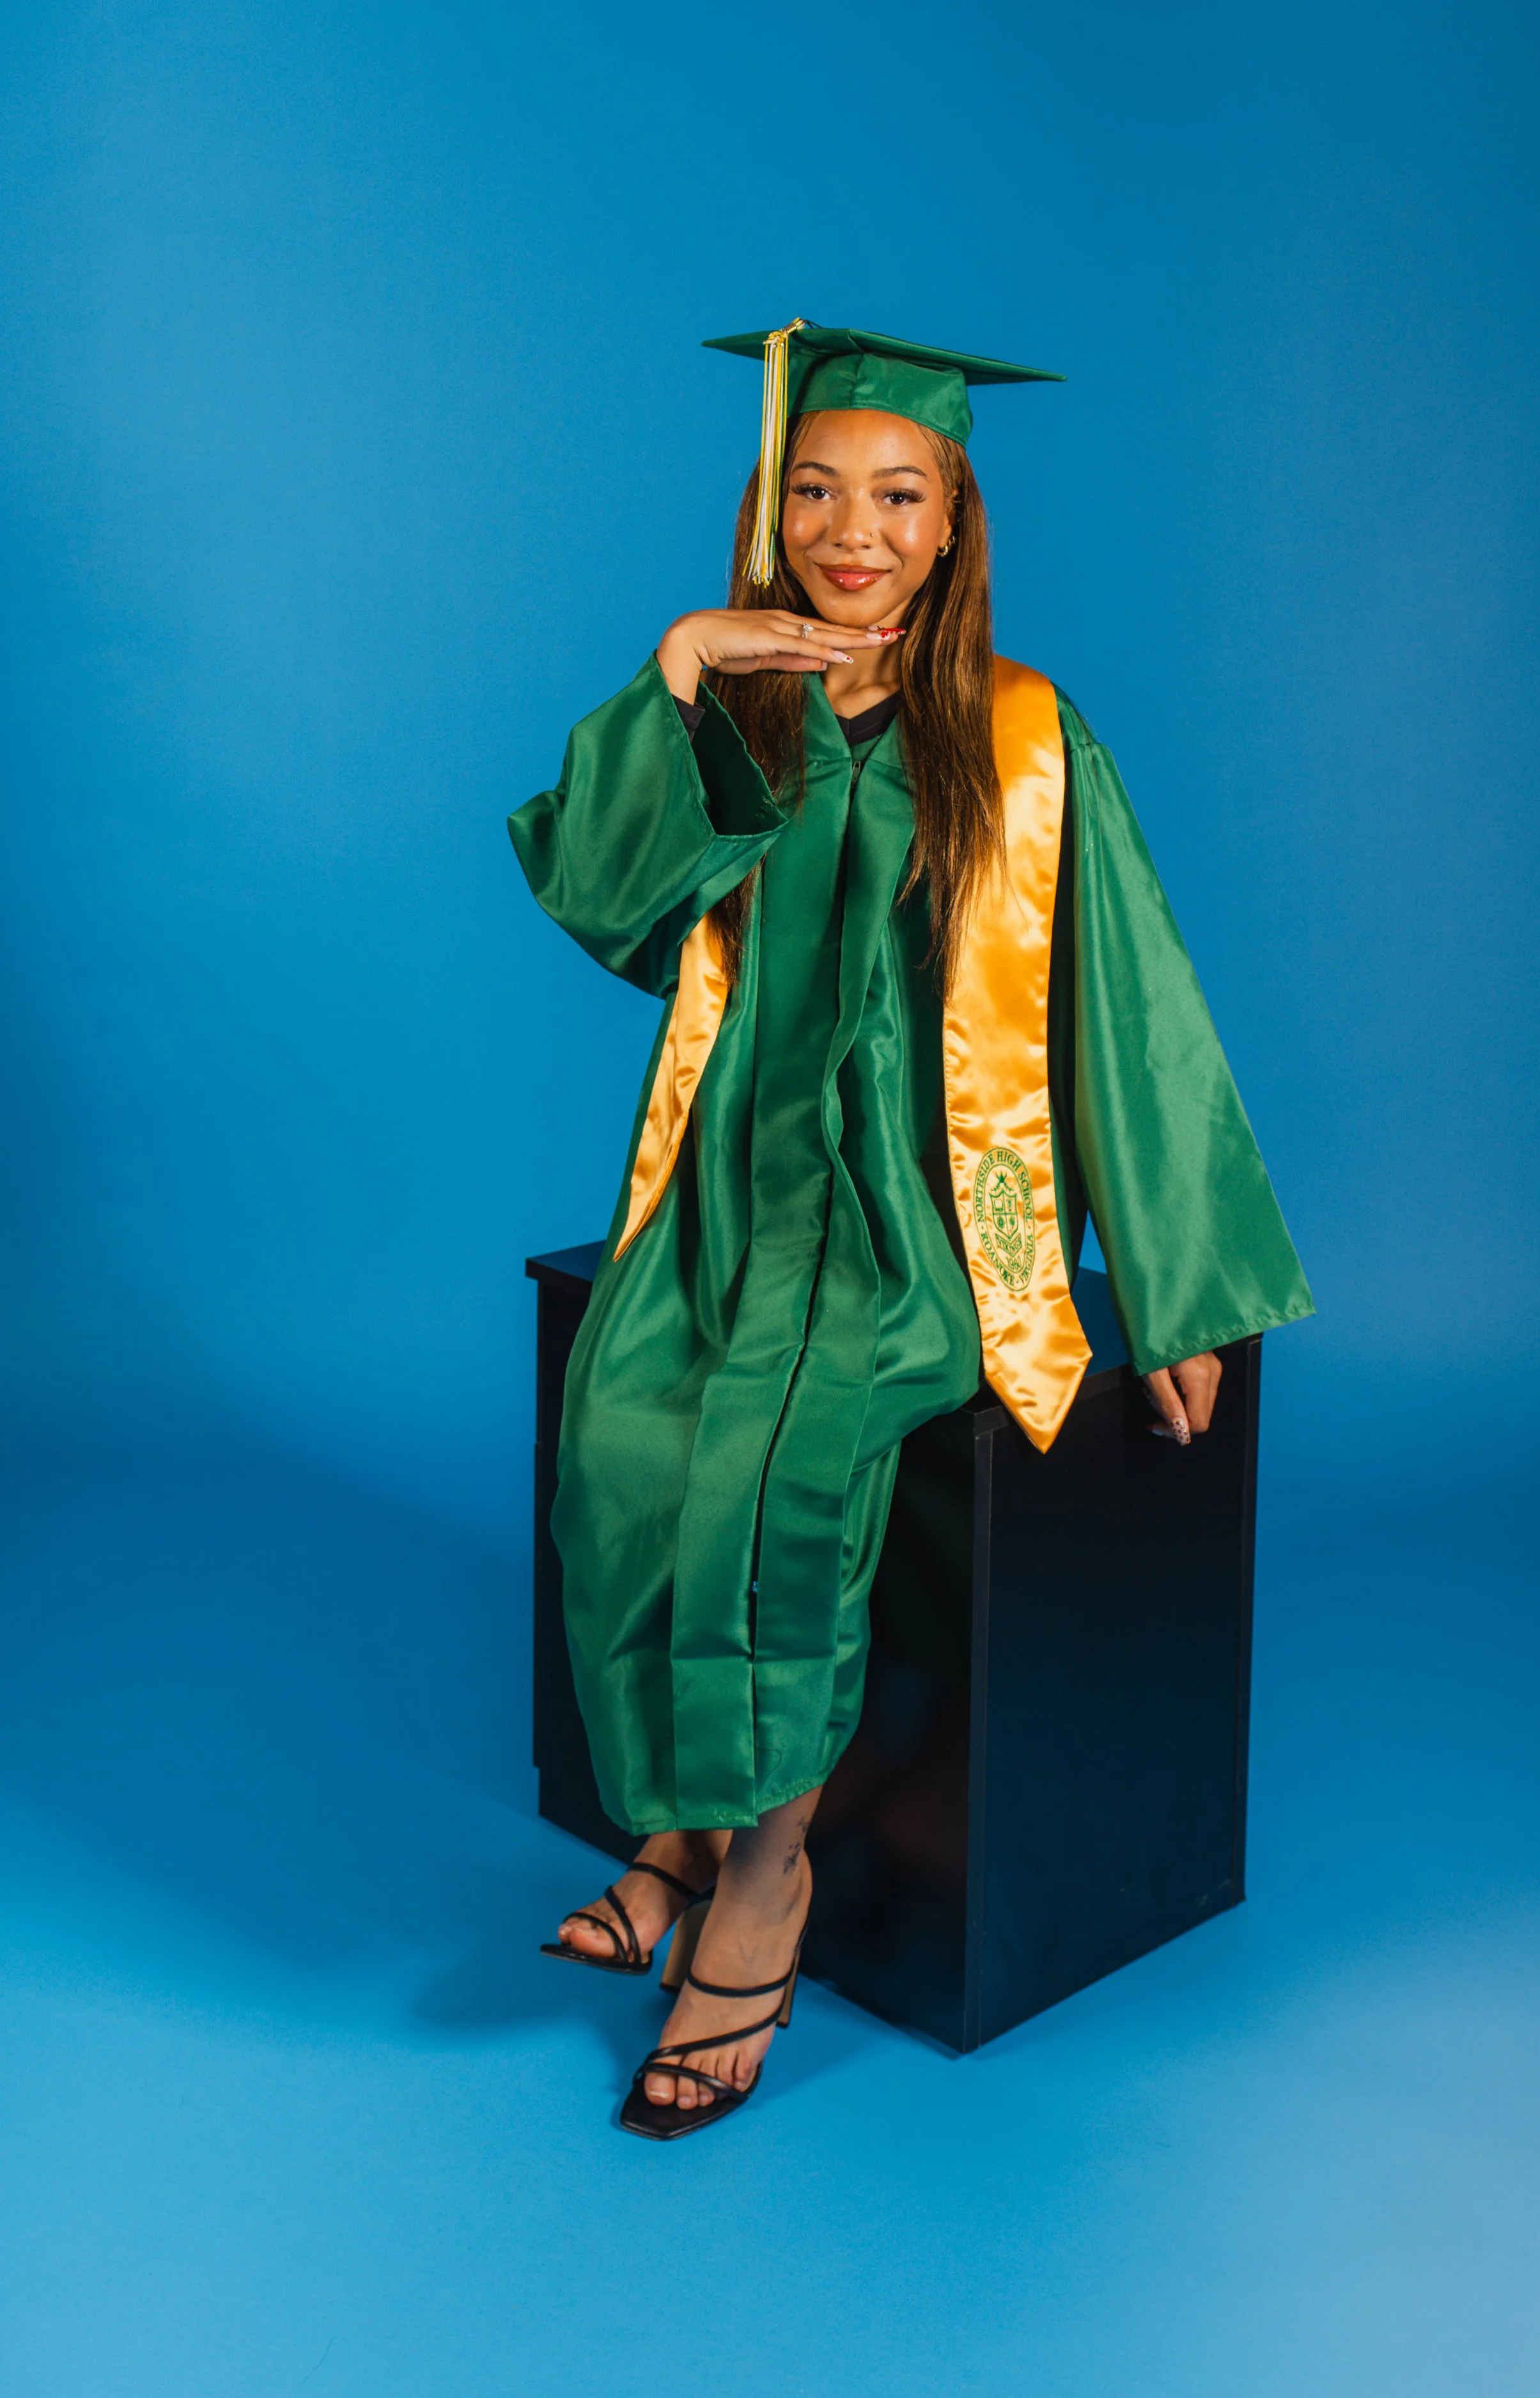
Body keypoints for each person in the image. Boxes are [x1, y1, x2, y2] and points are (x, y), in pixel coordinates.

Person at [509, 322, 1312, 2139]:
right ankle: (677, 1821)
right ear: (768, 509)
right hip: (723, 1186)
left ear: (954, 523)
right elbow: (599, 898)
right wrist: (677, 672)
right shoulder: (744, 704)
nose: (850, 528)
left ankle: (757, 1890)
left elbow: (1130, 1009)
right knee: (626, 1434)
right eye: (814, 489)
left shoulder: (1023, 738)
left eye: (897, 493)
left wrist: (1177, 1291)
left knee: (789, 1471)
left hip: (918, 1221)